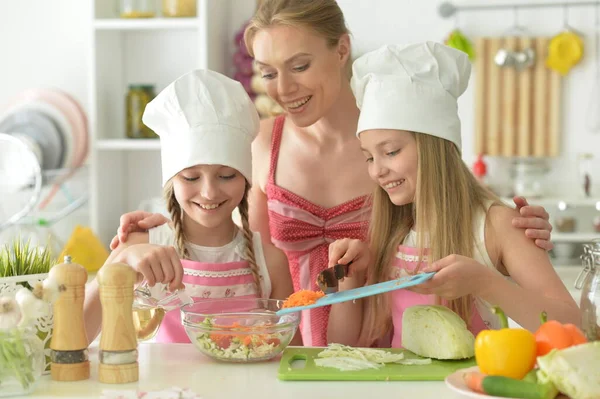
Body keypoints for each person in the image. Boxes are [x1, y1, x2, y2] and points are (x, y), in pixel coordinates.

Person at [108, 0, 554, 347]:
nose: (283, 89)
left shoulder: (393, 131)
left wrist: (514, 232)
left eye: (299, 66)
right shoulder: (261, 143)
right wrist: (148, 237)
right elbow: (238, 249)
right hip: (294, 346)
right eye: (268, 73)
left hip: (389, 343)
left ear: (341, 49)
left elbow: (451, 201)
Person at [326, 42, 581, 348]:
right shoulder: (392, 232)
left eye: (391, 151)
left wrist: (486, 283)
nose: (376, 171)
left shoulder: (497, 225)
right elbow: (339, 349)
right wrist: (350, 279)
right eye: (369, 157)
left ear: (439, 148)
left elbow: (576, 328)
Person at [84, 70, 300, 345]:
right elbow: (73, 340)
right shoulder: (143, 247)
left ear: (245, 179)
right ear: (172, 180)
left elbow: (292, 357)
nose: (209, 192)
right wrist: (122, 261)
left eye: (226, 175)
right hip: (161, 389)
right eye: (191, 177)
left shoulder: (269, 262)